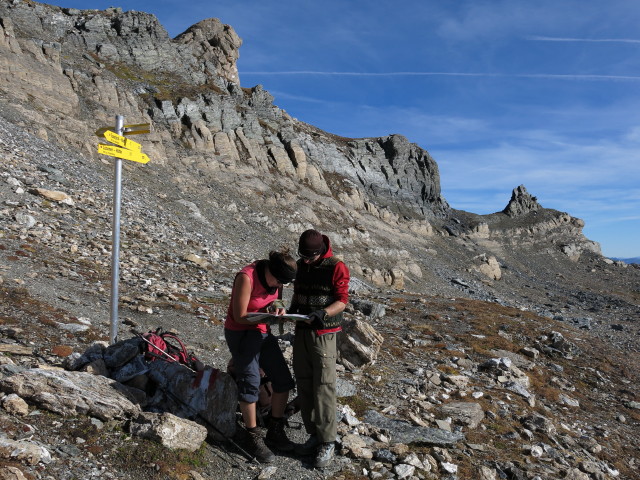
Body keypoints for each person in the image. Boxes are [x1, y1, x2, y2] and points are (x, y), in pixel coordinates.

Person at [224, 249, 297, 463]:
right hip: (241, 333)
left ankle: (275, 429)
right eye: (278, 281)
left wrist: (279, 310)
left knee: (283, 380)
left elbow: (279, 302)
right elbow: (239, 316)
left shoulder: (279, 279)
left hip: (262, 331)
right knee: (250, 382)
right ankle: (253, 436)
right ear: (269, 271)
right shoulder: (246, 277)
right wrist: (265, 316)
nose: (278, 286)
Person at [289, 229, 350, 468]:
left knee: (323, 386)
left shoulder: (337, 266)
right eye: (303, 256)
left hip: (324, 334)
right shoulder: (301, 264)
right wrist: (287, 311)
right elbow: (296, 295)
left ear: (320, 251)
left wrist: (322, 314)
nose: (306, 261)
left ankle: (327, 441)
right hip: (301, 330)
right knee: (303, 381)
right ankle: (313, 434)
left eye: (310, 257)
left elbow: (342, 300)